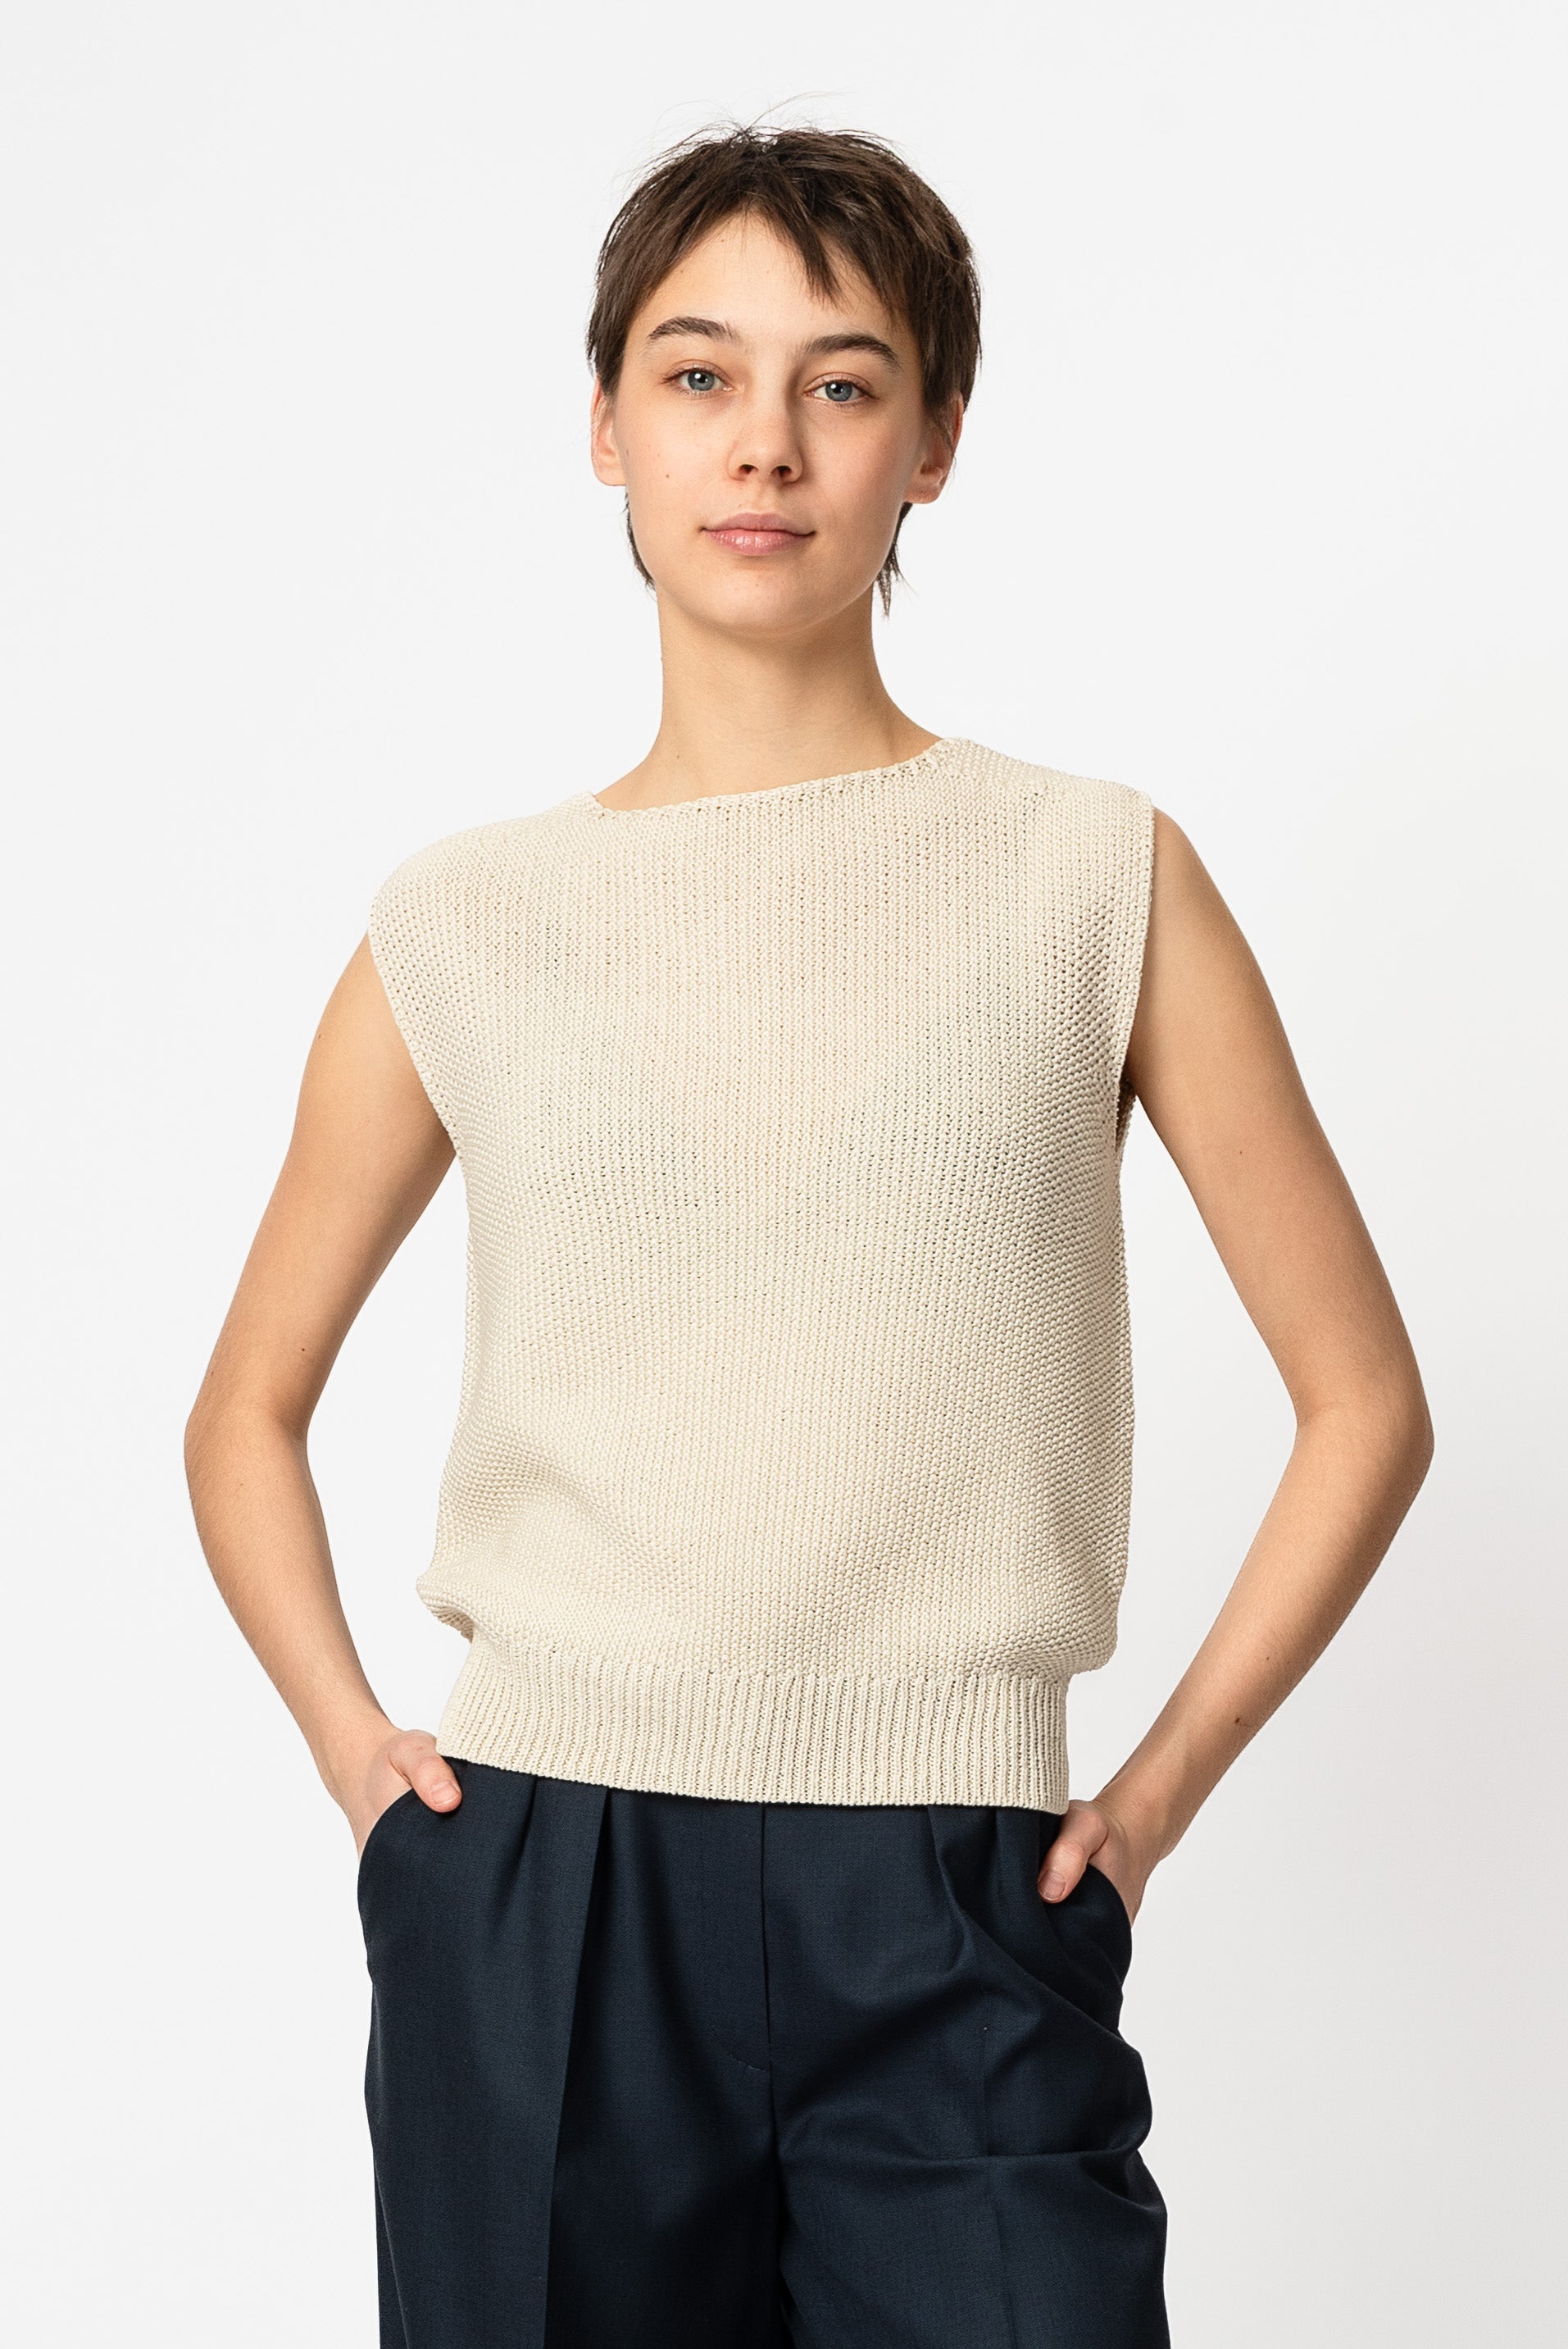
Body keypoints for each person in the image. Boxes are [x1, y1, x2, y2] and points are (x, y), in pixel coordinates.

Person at [184, 123, 1433, 2349]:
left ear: (933, 442)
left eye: (842, 383)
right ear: (606, 426)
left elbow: (1365, 1404)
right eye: (697, 375)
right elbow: (241, 1413)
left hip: (954, 1884)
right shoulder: (462, 923)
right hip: (548, 1880)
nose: (764, 442)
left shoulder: (1095, 878)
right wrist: (366, 1770)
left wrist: (1147, 1800)